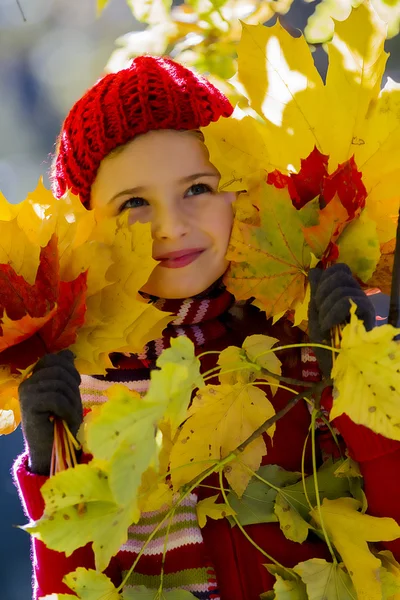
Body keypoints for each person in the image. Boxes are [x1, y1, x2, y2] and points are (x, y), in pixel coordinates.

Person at [13, 56, 400, 600]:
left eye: (197, 188)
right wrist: (52, 464)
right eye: (134, 203)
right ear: (86, 226)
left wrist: (359, 386)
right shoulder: (91, 387)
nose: (172, 226)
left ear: (243, 187)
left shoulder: (303, 340)